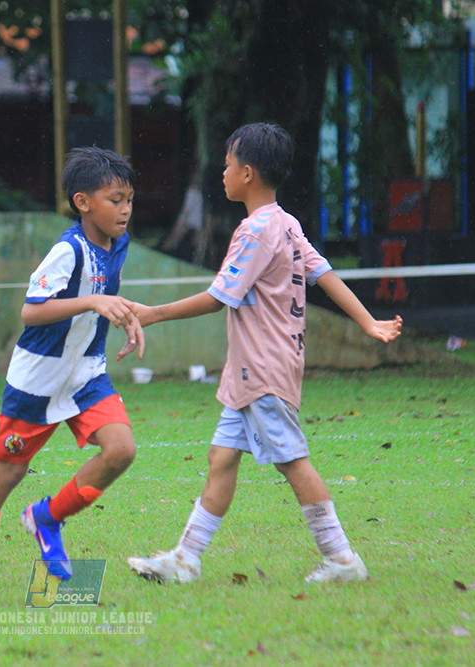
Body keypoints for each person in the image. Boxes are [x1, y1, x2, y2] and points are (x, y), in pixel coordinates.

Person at [127, 123, 403, 585]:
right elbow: (325, 274)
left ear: (248, 173)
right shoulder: (286, 222)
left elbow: (220, 296)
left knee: (293, 461)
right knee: (222, 458)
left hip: (263, 370)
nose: (223, 172)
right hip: (256, 369)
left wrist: (152, 313)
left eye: (229, 164)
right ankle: (185, 559)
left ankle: (341, 559)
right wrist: (365, 320)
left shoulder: (255, 231)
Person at [0, 146, 146, 607]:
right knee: (9, 471)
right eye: (115, 199)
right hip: (36, 383)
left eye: (129, 198)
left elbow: (101, 297)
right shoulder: (66, 251)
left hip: (86, 375)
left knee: (121, 450)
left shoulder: (119, 244)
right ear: (82, 202)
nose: (126, 209)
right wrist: (94, 303)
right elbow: (32, 312)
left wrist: (125, 314)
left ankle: (47, 517)